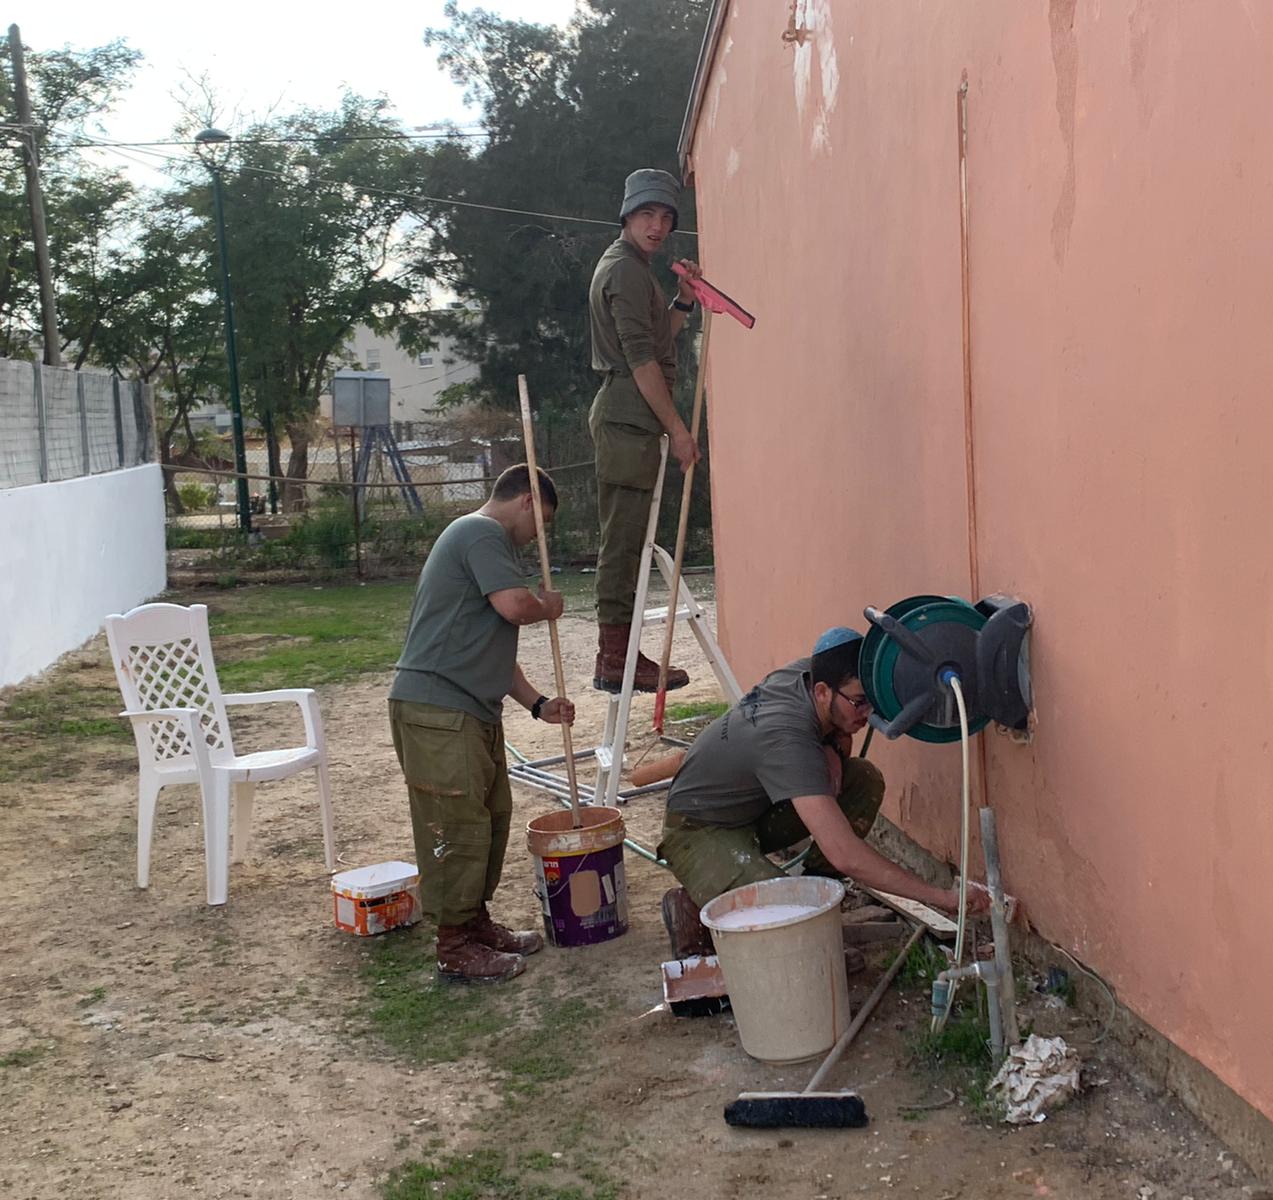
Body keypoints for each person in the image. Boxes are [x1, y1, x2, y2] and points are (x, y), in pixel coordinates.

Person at [656, 627, 992, 957]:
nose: (867, 714)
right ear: (821, 692)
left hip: (751, 812)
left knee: (861, 780)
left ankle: (817, 893)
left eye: (871, 702)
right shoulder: (787, 740)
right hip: (697, 829)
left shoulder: (812, 671)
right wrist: (945, 898)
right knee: (793, 926)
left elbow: (836, 730)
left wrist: (832, 744)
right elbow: (846, 855)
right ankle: (691, 904)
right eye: (859, 703)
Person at [388, 464, 576, 983]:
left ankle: (475, 923)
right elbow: (516, 608)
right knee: (458, 827)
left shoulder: (487, 545)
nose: (540, 534)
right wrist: (547, 605)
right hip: (436, 711)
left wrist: (537, 704)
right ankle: (453, 944)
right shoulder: (480, 532)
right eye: (542, 521)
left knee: (490, 818)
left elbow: (494, 648)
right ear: (526, 500)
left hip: (467, 712)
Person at [586, 166, 704, 693]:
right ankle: (615, 659)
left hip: (632, 418)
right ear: (627, 216)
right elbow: (640, 360)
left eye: (665, 217)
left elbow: (658, 342)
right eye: (647, 214)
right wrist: (678, 430)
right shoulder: (625, 270)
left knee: (632, 540)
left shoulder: (635, 267)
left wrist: (682, 299)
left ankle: (621, 654)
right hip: (628, 418)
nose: (657, 226)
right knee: (624, 543)